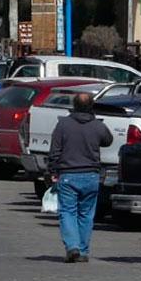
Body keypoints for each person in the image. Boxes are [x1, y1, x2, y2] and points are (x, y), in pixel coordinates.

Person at [48, 92, 113, 263]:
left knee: (68, 212)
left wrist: (53, 171)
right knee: (86, 214)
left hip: (68, 174)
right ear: (92, 106)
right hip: (91, 176)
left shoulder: (63, 125)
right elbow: (108, 140)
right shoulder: (98, 125)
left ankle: (73, 247)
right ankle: (82, 250)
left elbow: (55, 150)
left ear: (74, 105)